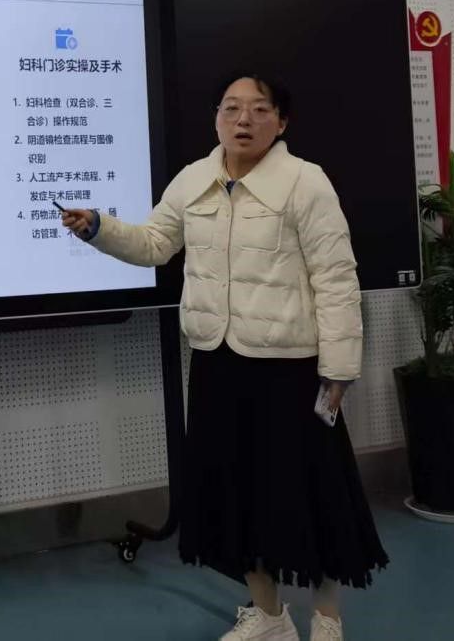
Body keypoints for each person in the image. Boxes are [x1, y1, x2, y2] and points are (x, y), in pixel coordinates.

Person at [61, 75, 387, 641]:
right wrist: (99, 229)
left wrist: (338, 371)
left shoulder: (306, 183)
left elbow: (336, 279)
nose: (244, 120)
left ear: (281, 121)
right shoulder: (195, 179)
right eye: (232, 108)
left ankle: (327, 618)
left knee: (311, 493)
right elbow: (155, 243)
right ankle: (269, 616)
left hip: (291, 368)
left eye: (259, 109)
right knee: (237, 494)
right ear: (216, 117)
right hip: (217, 363)